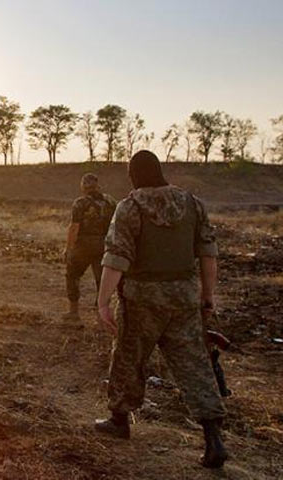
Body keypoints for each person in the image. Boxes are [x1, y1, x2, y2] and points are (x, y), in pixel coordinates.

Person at [95, 150, 227, 469]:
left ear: (134, 175)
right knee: (194, 364)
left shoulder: (130, 207)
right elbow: (208, 253)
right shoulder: (192, 204)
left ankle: (119, 419)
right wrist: (207, 296)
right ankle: (213, 438)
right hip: (183, 297)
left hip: (141, 299)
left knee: (128, 357)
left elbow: (117, 257)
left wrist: (102, 302)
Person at [63, 173, 116, 321]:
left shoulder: (80, 203)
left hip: (83, 247)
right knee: (102, 280)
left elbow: (74, 228)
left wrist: (68, 249)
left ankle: (73, 311)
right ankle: (101, 313)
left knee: (72, 275)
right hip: (104, 245)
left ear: (83, 186)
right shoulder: (110, 202)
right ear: (97, 185)